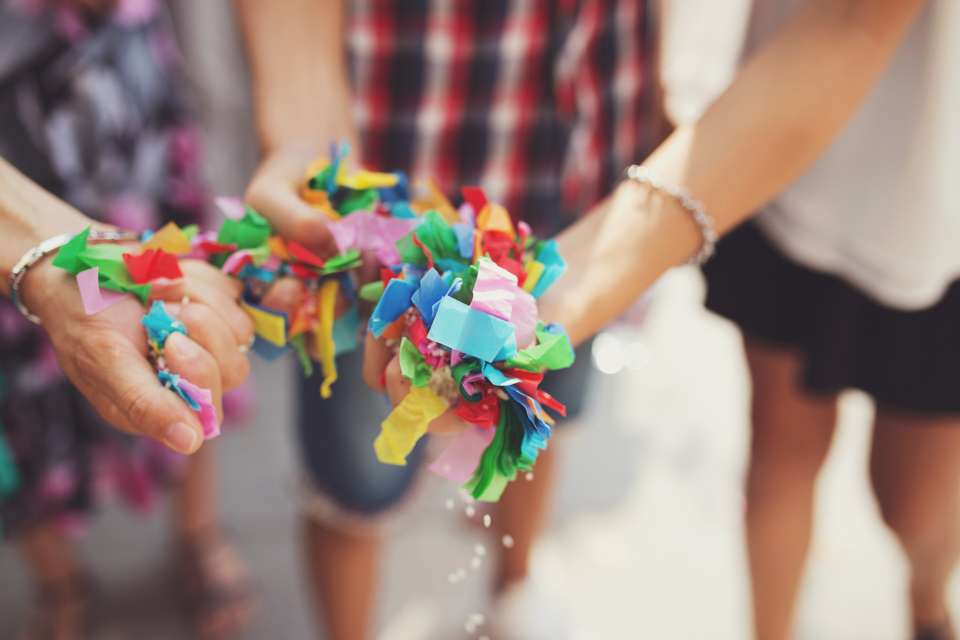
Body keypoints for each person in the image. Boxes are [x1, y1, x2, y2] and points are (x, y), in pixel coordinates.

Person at [371, 0, 957, 638]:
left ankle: (929, 596)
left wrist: (563, 287)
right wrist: (542, 303)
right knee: (781, 444)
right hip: (780, 172)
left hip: (935, 202)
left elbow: (853, 29)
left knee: (914, 506)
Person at [234, 0, 658, 637]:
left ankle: (516, 590)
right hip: (385, 187)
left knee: (534, 408)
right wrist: (307, 134)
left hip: (584, 153)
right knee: (356, 471)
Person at [0, 3, 257, 638]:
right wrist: (44, 254)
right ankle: (59, 581)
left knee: (183, 335)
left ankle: (196, 536)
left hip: (122, 75)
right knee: (12, 396)